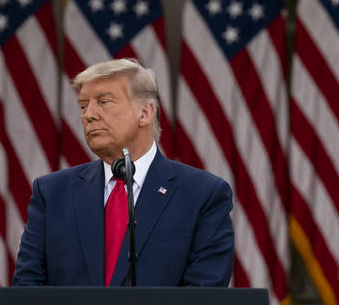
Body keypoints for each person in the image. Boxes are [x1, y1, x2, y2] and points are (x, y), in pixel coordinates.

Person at [12, 58, 234, 287]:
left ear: (146, 113)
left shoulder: (202, 195)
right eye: (83, 105)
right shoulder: (52, 193)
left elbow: (203, 299)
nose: (89, 114)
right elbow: (28, 291)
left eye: (104, 102)